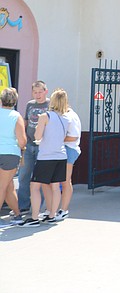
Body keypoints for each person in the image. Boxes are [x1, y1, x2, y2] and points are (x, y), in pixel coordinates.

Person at [24, 88, 72, 227]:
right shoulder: (66, 118)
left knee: (34, 186)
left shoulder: (45, 116)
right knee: (55, 187)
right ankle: (52, 215)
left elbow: (37, 136)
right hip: (60, 155)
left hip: (46, 156)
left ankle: (34, 217)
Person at [18, 80, 49, 213]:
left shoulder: (50, 105)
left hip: (44, 146)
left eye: (40, 92)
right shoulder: (30, 105)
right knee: (23, 174)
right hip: (29, 144)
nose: (37, 95)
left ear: (45, 91)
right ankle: (23, 205)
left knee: (40, 177)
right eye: (35, 92)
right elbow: (25, 121)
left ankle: (39, 206)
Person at [0, 88, 26, 225]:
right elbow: (22, 141)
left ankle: (17, 214)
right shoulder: (16, 116)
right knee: (3, 186)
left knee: (8, 186)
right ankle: (16, 215)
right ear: (15, 101)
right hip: (10, 154)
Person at [58, 100, 81, 221]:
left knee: (66, 181)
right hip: (61, 149)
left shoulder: (70, 116)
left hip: (69, 149)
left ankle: (64, 209)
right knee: (57, 182)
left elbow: (74, 136)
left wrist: (57, 138)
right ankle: (53, 209)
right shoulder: (61, 115)